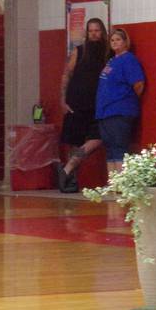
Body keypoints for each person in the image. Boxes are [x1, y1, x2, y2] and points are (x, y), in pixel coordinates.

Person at [57, 18, 109, 193]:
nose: (94, 33)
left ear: (102, 31)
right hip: (76, 102)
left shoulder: (108, 53)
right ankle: (70, 179)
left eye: (97, 30)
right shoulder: (79, 51)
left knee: (98, 137)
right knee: (74, 141)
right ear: (86, 33)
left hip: (98, 104)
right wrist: (63, 99)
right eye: (90, 30)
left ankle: (67, 169)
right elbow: (67, 74)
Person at [95, 28, 146, 173]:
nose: (115, 43)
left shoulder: (129, 59)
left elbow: (138, 84)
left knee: (119, 146)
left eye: (118, 39)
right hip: (105, 111)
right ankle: (113, 185)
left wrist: (126, 99)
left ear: (125, 42)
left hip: (120, 110)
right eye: (112, 40)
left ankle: (122, 184)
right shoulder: (111, 61)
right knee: (109, 148)